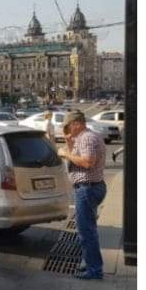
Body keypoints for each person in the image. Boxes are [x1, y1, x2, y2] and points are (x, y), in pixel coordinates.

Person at [57, 111, 106, 280]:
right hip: (88, 187)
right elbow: (77, 160)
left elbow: (87, 162)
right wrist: (69, 144)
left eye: (67, 127)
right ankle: (92, 264)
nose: (67, 131)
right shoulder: (83, 138)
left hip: (87, 188)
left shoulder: (87, 138)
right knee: (87, 229)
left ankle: (94, 270)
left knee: (86, 231)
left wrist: (65, 153)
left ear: (76, 123)